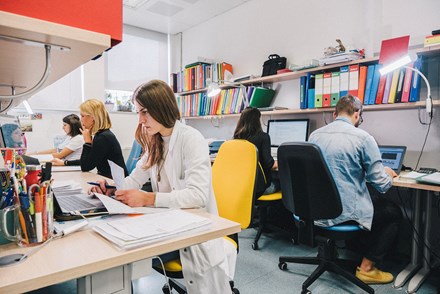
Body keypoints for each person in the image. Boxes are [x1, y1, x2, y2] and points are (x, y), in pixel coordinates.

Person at [91, 80, 234, 294]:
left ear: (161, 107)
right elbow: (134, 180)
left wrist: (148, 198)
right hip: (168, 223)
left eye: (145, 112)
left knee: (118, 256)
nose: (140, 120)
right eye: (138, 112)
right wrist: (113, 190)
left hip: (193, 230)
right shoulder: (155, 141)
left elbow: (197, 196)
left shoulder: (191, 139)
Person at [308, 95, 402, 284]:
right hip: (344, 212)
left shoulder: (314, 135)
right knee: (392, 212)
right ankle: (367, 268)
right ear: (358, 113)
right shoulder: (363, 138)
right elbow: (382, 185)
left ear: (335, 114)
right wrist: (388, 173)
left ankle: (336, 251)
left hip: (315, 209)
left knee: (372, 204)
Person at [68, 99, 128, 177]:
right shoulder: (101, 134)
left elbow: (86, 166)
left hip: (115, 183)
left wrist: (87, 142)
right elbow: (90, 159)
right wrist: (65, 163)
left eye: (82, 116)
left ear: (93, 117)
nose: (81, 120)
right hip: (108, 179)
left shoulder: (103, 137)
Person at [233, 107, 279, 195]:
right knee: (283, 182)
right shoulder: (263, 137)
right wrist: (280, 161)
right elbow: (268, 164)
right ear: (257, 120)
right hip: (261, 188)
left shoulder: (237, 137)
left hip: (244, 187)